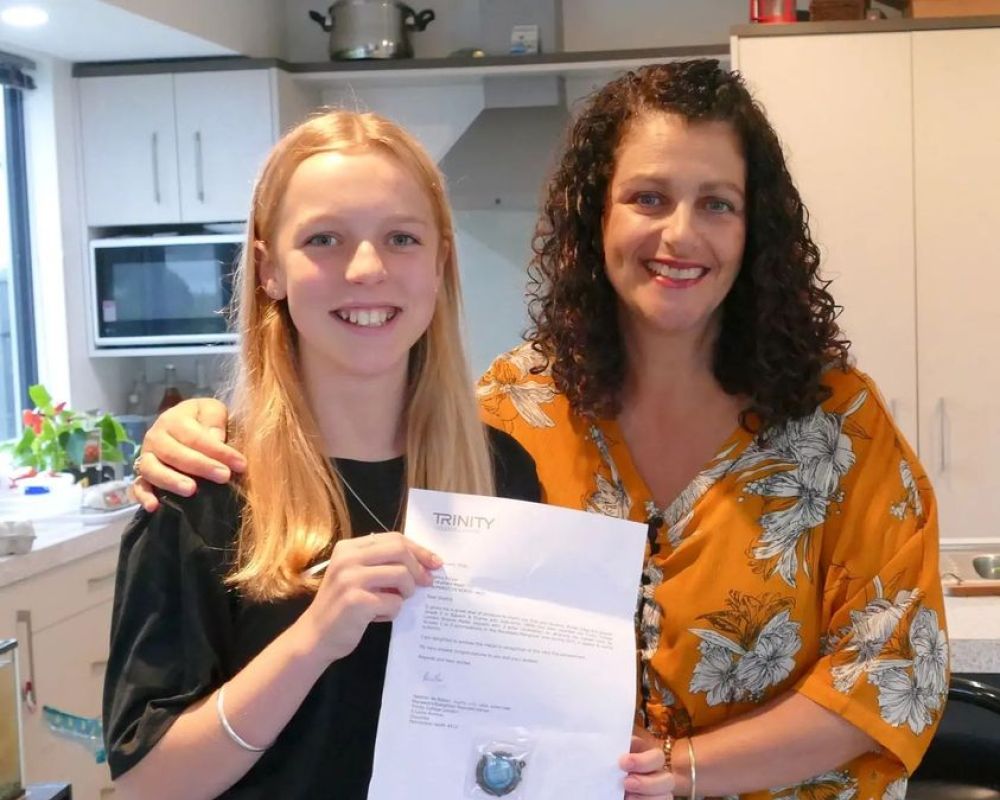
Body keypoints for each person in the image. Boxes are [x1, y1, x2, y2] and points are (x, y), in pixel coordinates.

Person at [132, 60, 947, 799]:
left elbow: (893, 671)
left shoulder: (836, 424)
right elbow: (366, 415)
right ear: (597, 217)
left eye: (717, 204)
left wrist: (688, 770)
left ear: (753, 228)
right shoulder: (510, 412)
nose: (680, 233)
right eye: (648, 198)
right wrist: (205, 425)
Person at [104, 110, 669, 800]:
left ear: (439, 264)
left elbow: (507, 736)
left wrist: (589, 751)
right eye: (324, 239)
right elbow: (149, 784)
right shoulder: (204, 487)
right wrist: (313, 639)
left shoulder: (500, 472)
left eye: (401, 238)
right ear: (269, 269)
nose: (367, 268)